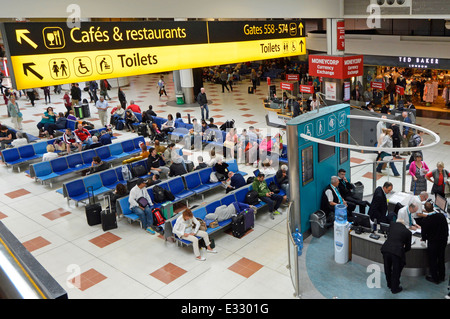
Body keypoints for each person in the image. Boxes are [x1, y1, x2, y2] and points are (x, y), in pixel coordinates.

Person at [380, 219, 412, 294]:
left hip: (386, 249)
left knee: (387, 268)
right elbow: (408, 247)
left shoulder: (392, 225)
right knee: (396, 271)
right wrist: (402, 250)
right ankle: (395, 288)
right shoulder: (408, 232)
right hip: (397, 252)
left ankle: (389, 284)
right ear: (404, 225)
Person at [421, 201, 449, 284]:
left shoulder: (425, 220)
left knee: (433, 260)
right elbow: (446, 228)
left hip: (433, 243)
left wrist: (424, 238)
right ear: (433, 207)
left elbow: (424, 235)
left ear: (425, 210)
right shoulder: (441, 216)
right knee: (441, 258)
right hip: (443, 241)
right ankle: (442, 276)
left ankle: (435, 278)